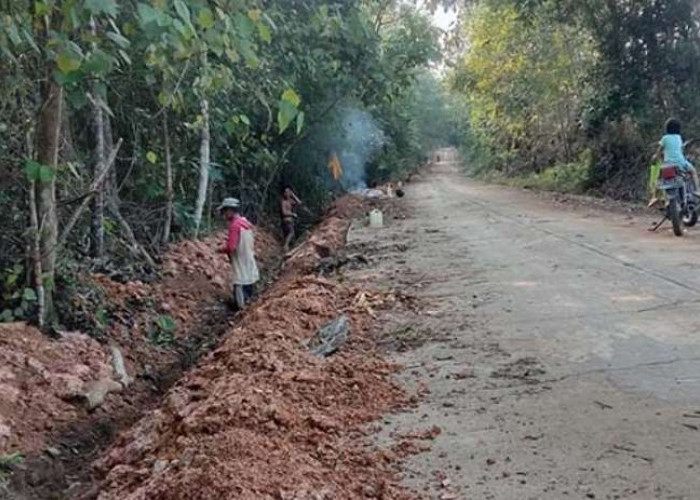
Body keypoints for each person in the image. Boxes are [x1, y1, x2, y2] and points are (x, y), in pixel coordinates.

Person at [217, 197, 259, 310]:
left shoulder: (234, 225)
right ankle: (248, 301)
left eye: (225, 211)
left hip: (240, 259)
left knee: (239, 282)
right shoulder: (245, 222)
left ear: (231, 210)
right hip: (248, 257)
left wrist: (220, 249)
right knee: (248, 280)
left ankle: (241, 309)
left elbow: (231, 247)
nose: (224, 215)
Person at [652, 118, 700, 205]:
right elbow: (679, 150)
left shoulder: (665, 138)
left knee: (659, 178)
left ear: (666, 128)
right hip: (681, 163)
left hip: (668, 164)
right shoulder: (679, 138)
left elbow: (659, 151)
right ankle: (697, 190)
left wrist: (655, 157)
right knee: (693, 172)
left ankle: (654, 197)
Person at [280, 186, 302, 252]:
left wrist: (293, 195)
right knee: (291, 233)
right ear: (283, 193)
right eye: (286, 192)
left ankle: (286, 248)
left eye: (288, 192)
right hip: (286, 220)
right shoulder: (283, 202)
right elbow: (284, 212)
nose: (287, 193)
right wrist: (292, 214)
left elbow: (299, 203)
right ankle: (285, 246)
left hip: (290, 220)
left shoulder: (290, 201)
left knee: (289, 235)